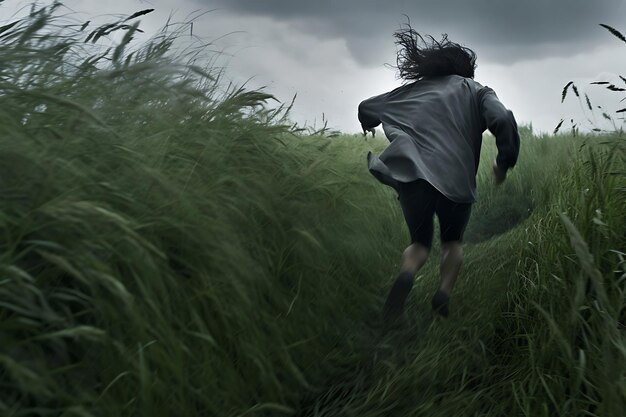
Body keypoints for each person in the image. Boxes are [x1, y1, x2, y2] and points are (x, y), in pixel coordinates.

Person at [358, 25, 520, 319]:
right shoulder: (477, 91)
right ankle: (443, 293)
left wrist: (367, 123)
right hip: (456, 182)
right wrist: (504, 161)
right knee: (452, 242)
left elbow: (367, 106)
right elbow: (502, 118)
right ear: (466, 69)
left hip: (413, 178)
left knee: (419, 243)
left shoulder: (412, 90)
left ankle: (408, 273)